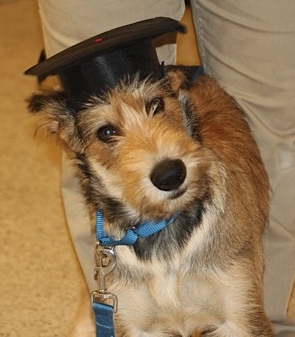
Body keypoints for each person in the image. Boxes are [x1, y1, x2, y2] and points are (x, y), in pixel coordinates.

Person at [36, 1, 295, 335]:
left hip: (222, 233)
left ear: (176, 87)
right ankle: (100, 301)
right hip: (122, 241)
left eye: (155, 106)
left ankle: (269, 310)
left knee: (271, 116)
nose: (156, 153)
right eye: (108, 132)